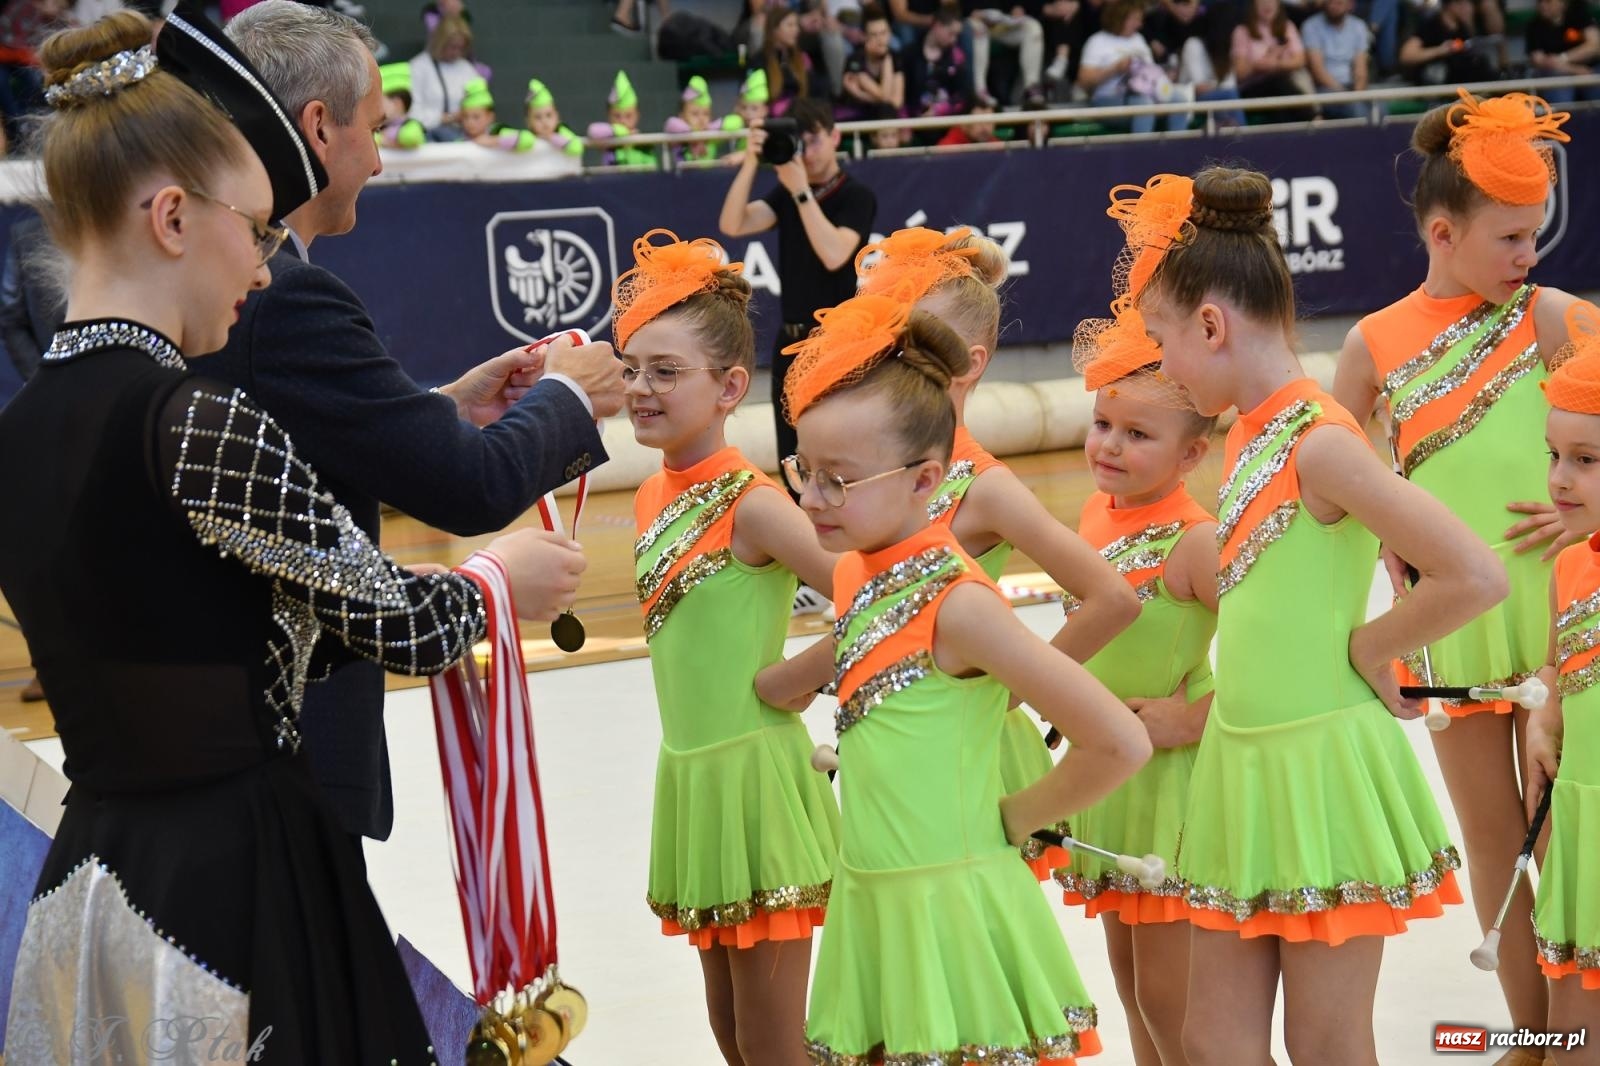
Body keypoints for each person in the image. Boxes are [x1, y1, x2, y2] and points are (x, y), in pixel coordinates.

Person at [0, 9, 583, 1063]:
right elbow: (401, 623)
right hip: (238, 880)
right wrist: (498, 577)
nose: (266, 268)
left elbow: (195, 624)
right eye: (257, 227)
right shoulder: (192, 420)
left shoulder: (21, 430)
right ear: (174, 219)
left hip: (96, 878)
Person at [215, 0, 621, 845]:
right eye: (374, 127)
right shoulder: (286, 296)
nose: (382, 158)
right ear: (318, 128)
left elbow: (291, 448)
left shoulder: (257, 284)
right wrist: (570, 396)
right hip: (281, 747)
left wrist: (442, 407)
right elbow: (467, 489)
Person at [1125, 166, 1504, 1063]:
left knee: (1327, 1043)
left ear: (1211, 325)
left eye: (1160, 341)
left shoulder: (1320, 440)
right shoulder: (1251, 424)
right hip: (1240, 766)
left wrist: (1375, 646)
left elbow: (1473, 572)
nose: (1161, 365)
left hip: (1316, 773)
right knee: (1213, 1039)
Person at [755, 291, 1149, 1063]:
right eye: (804, 470)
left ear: (925, 479)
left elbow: (1119, 742)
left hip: (951, 907)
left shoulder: (960, 602)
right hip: (873, 898)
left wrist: (1017, 816)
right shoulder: (854, 577)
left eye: (840, 480)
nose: (810, 499)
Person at [1332, 89, 1585, 1051]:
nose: (1532, 257)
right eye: (1513, 239)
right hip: (1451, 624)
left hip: (1564, 613)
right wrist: (1387, 547)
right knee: (1496, 842)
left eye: (1536, 237)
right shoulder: (1373, 345)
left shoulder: (1553, 318)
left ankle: (1581, 1026)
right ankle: (1536, 1034)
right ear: (1443, 230)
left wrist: (1582, 511)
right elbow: (1322, 483)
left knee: (1563, 830)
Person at [617, 231, 840, 1066]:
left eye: (666, 371)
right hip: (694, 778)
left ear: (729, 388)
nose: (641, 388)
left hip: (757, 785)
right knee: (733, 1041)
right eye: (633, 366)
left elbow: (882, 594)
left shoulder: (753, 502)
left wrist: (797, 677)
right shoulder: (647, 493)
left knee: (775, 1049)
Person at [856, 225, 1140, 881]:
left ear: (971, 362)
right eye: (881, 337)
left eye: (911, 342)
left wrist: (1018, 689)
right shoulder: (872, 470)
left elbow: (1112, 599)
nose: (889, 356)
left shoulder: (984, 486)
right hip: (894, 736)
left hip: (965, 744)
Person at [1059, 302, 1218, 1066]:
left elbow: (1275, 658)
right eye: (1101, 424)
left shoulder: (1198, 541)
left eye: (1138, 434)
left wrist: (1192, 719)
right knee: (1129, 984)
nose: (1110, 446)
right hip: (1113, 772)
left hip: (1169, 784)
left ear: (1192, 455)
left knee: (1171, 996)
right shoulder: (1095, 511)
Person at [718, 95, 876, 492]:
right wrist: (753, 160)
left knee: (839, 452)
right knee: (791, 459)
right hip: (791, 343)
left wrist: (802, 192)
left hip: (838, 343)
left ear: (835, 136)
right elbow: (733, 223)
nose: (806, 151)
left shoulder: (855, 195)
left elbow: (834, 254)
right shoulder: (788, 193)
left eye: (814, 139)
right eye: (798, 141)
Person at [1529, 302, 1600, 1043]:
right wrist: (1546, 707)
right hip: (1585, 830)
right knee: (1574, 1039)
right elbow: (1559, 663)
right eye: (1553, 456)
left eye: (1586, 461)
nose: (1559, 480)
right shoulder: (1570, 566)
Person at [1078, 0, 1189, 134]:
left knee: (1179, 99)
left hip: (1146, 93)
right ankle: (1142, 152)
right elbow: (1084, 81)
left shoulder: (1139, 39)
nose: (1139, 24)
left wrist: (1165, 75)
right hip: (1109, 98)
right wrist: (1115, 69)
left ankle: (1177, 148)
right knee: (1144, 105)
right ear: (1120, 18)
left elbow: (1151, 73)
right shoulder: (1097, 41)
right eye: (1135, 19)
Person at [1231, 0, 1312, 122]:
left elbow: (1300, 60)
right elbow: (1240, 73)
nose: (1267, 4)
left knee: (1284, 89)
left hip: (1284, 87)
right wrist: (1260, 64)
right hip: (1252, 89)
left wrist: (1276, 64)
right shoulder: (1242, 31)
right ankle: (1313, 116)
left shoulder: (1287, 26)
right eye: (1262, 1)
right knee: (1278, 83)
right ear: (1253, 5)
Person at [1400, 0, 1501, 86]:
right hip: (1437, 77)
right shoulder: (1431, 25)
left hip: (1461, 79)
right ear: (1451, 5)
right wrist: (1440, 50)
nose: (1468, 7)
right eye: (1462, 3)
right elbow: (1406, 56)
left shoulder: (1462, 26)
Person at [1301, 0, 1370, 119]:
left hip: (1352, 86)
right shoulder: (1311, 26)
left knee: (1379, 107)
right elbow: (1318, 71)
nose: (1333, 6)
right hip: (1325, 88)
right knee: (1355, 110)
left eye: (1338, 3)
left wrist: (1357, 94)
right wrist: (1344, 94)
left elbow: (1361, 69)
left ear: (1350, 4)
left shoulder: (1359, 26)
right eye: (1330, 2)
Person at [905, 2, 976, 117]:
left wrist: (940, 110)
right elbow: (904, 95)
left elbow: (964, 95)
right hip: (914, 120)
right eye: (951, 33)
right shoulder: (911, 53)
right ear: (937, 26)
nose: (954, 40)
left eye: (957, 35)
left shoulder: (957, 57)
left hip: (946, 121)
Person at [1525, 0, 1600, 104]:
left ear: (1562, 3)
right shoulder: (1534, 26)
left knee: (1595, 83)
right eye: (1540, 2)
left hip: (1590, 68)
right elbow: (1539, 61)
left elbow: (1594, 47)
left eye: (1548, 2)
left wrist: (1563, 58)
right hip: (1558, 72)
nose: (1543, 6)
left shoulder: (1580, 17)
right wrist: (1575, 70)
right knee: (1559, 89)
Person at [837, 2, 903, 120]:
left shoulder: (895, 57)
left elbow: (897, 102)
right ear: (864, 37)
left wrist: (860, 94)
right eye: (874, 35)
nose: (880, 40)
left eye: (884, 33)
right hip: (856, 117)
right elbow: (884, 96)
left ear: (890, 33)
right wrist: (886, 58)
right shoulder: (855, 60)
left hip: (884, 117)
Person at [587, 70, 656, 166]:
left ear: (637, 115)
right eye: (616, 116)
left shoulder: (644, 143)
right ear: (608, 116)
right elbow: (593, 130)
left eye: (628, 116)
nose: (623, 121)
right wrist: (619, 131)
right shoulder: (607, 141)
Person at [458, 76, 534, 151]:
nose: (470, 122)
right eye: (465, 117)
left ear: (490, 117)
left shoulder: (496, 131)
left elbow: (527, 139)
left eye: (476, 117)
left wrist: (492, 141)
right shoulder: (460, 140)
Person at [765, 6, 813, 115]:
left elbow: (811, 91)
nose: (796, 30)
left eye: (796, 25)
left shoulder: (802, 58)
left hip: (801, 116)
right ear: (774, 29)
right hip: (774, 121)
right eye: (790, 25)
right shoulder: (760, 60)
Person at [526, 77, 583, 158]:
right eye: (538, 117)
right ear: (528, 122)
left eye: (549, 115)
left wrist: (552, 138)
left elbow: (576, 147)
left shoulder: (562, 132)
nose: (544, 121)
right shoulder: (529, 138)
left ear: (557, 116)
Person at [376, 61, 426, 149]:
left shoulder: (410, 124)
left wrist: (385, 141)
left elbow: (411, 137)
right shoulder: (378, 127)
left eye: (379, 103)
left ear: (397, 103)